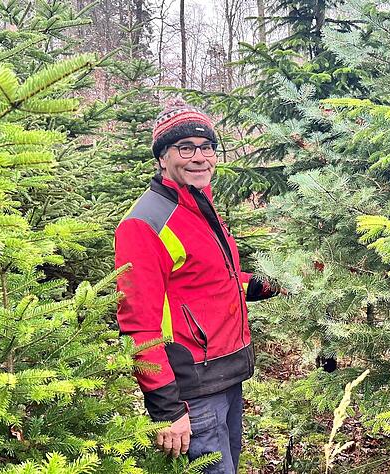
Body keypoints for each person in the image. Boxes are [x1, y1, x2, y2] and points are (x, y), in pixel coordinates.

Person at [114, 99, 279, 473]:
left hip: (226, 376)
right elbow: (139, 326)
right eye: (185, 148)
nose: (199, 157)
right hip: (192, 391)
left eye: (207, 147)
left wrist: (273, 284)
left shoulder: (200, 206)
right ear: (162, 157)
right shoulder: (145, 223)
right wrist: (167, 408)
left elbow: (214, 280)